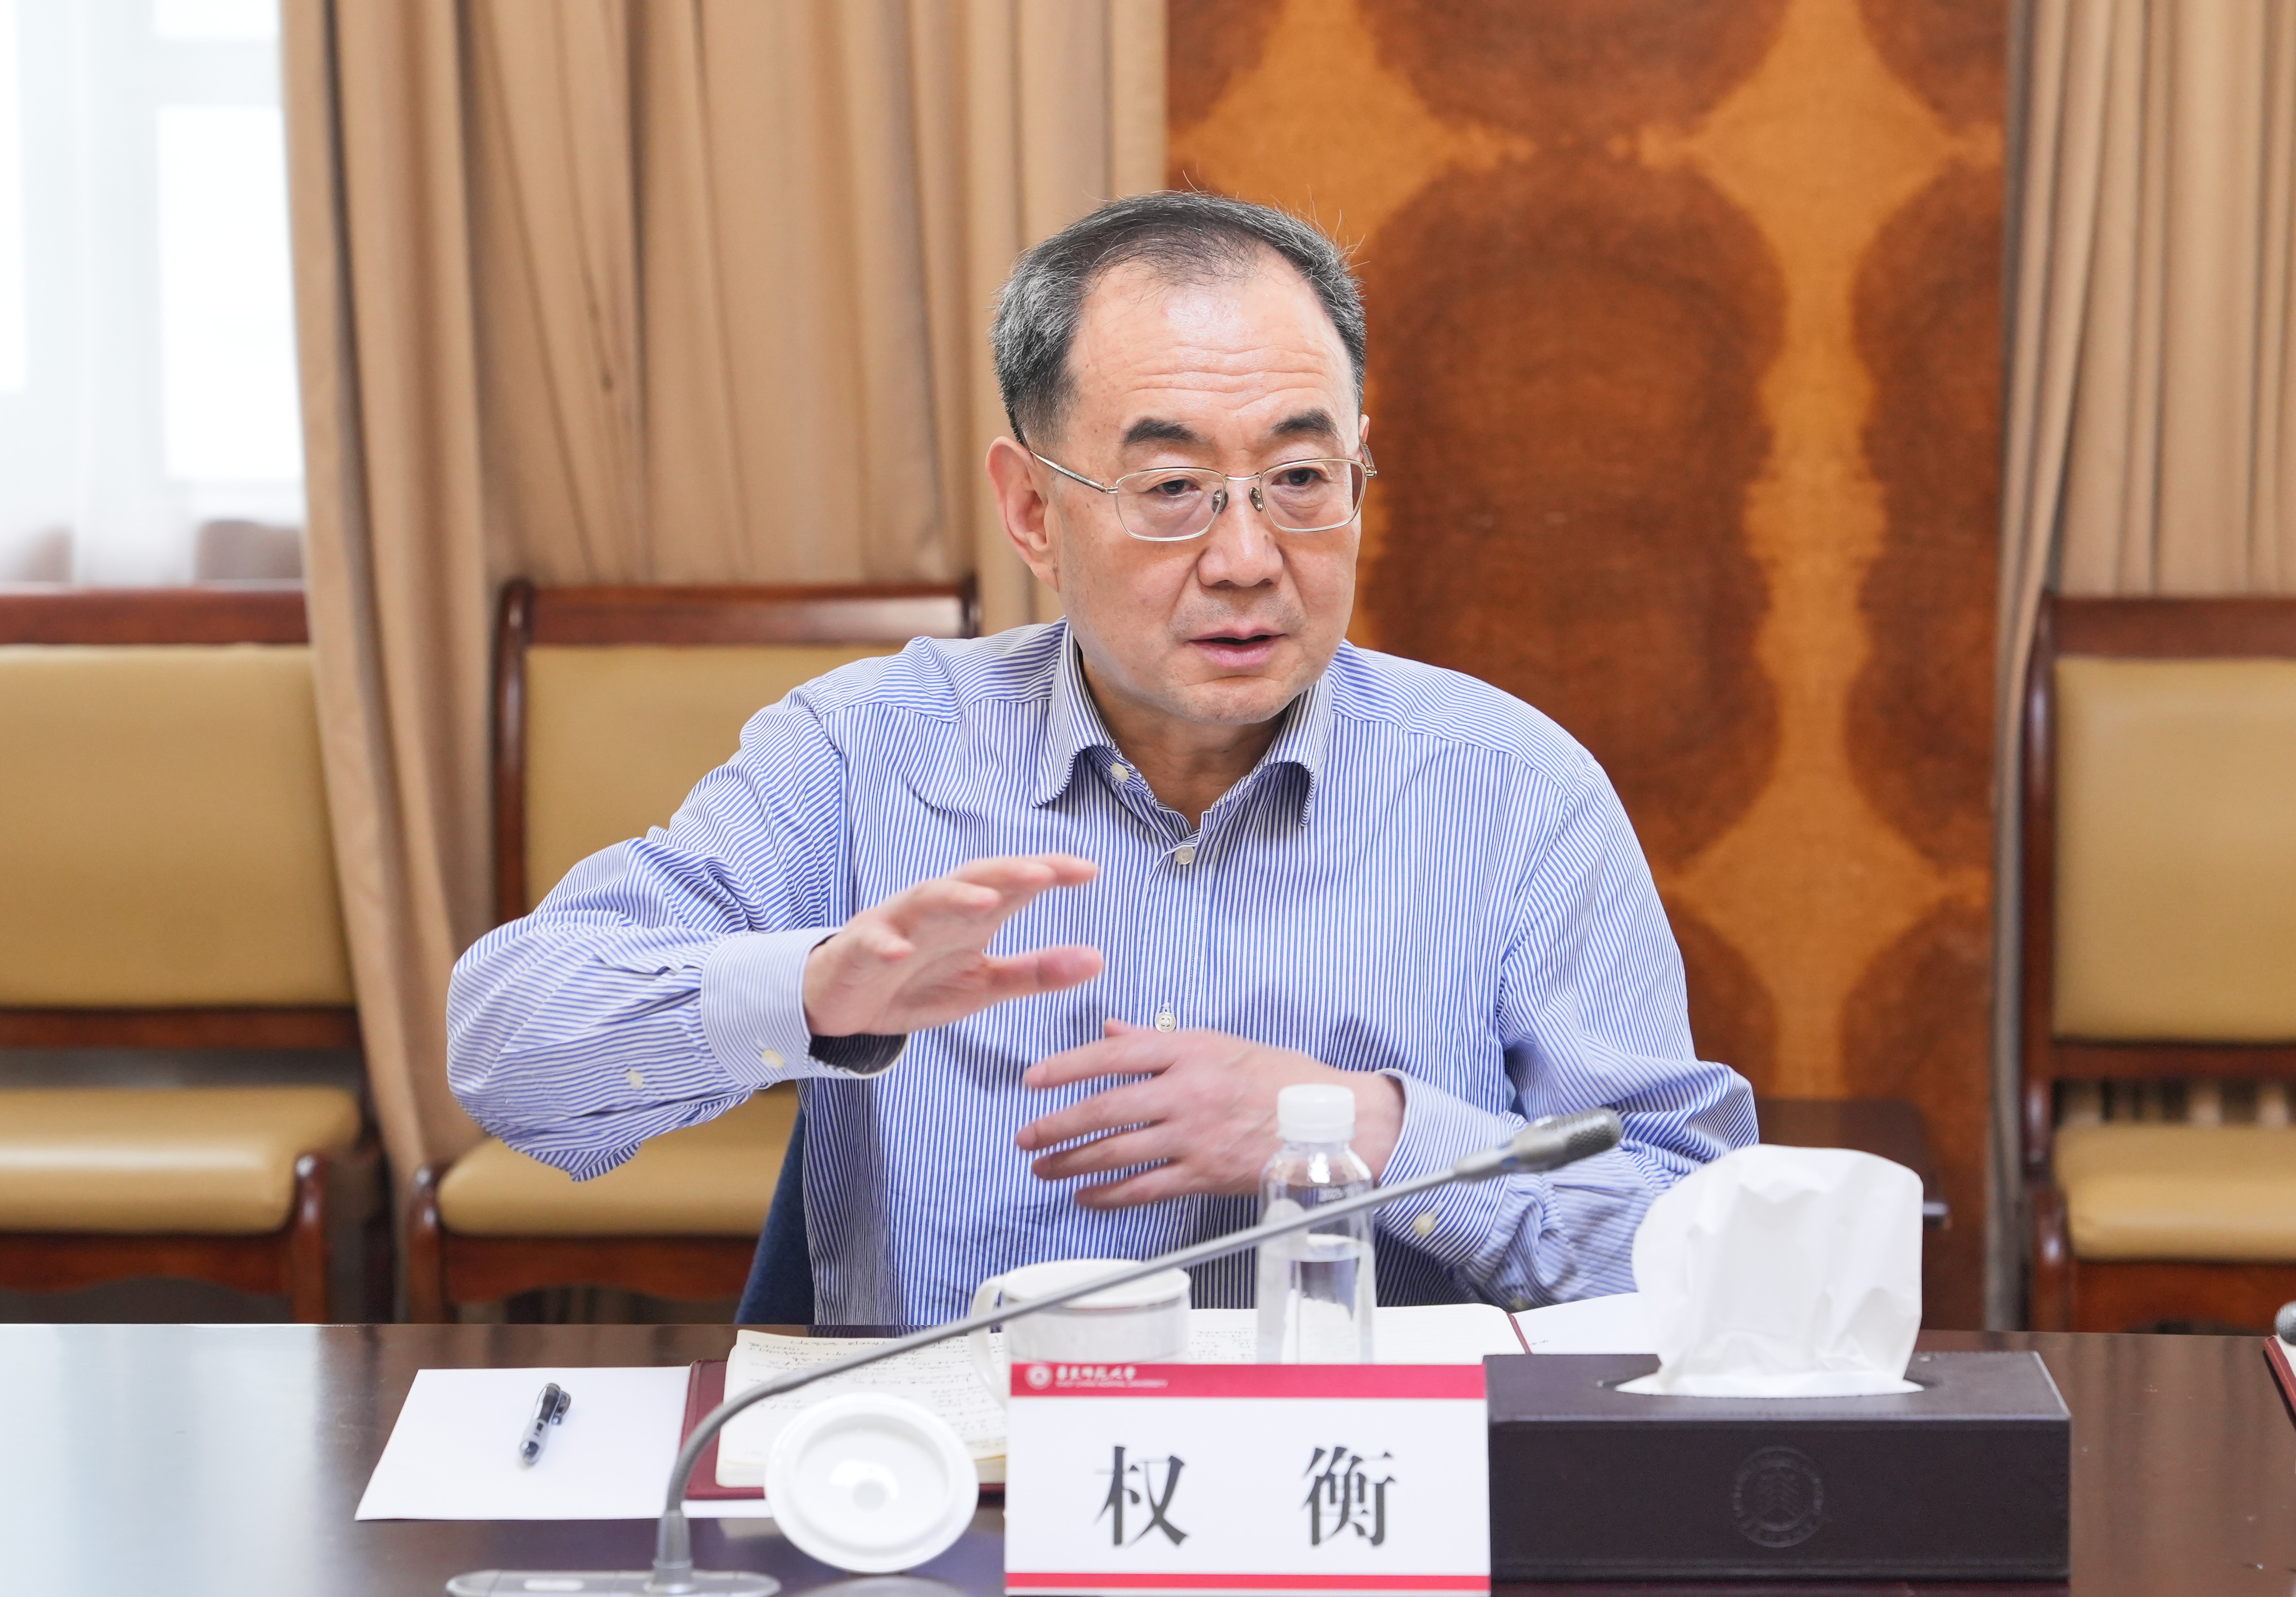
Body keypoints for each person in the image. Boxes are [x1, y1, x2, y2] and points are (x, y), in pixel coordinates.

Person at [447, 191, 1755, 1325]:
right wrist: (808, 991)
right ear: (1032, 510)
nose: (1247, 557)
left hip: (1365, 1480)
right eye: (1172, 489)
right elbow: (508, 1049)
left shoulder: (1513, 791)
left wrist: (1371, 1132)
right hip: (974, 1484)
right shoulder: (865, 755)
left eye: (1302, 477)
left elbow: (1700, 1242)